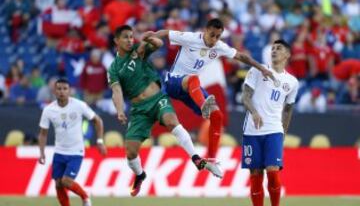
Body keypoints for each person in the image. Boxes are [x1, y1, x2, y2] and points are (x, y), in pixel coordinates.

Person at [108, 25, 222, 197]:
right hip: (139, 110)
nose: (130, 40)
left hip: (157, 99)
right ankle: (140, 175)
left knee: (171, 121)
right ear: (116, 41)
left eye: (131, 36)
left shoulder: (138, 51)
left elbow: (159, 43)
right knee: (131, 153)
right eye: (125, 37)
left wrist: (148, 38)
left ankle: (196, 159)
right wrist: (119, 110)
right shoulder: (114, 69)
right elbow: (116, 91)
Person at [143, 18, 274, 160]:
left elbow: (241, 56)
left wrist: (261, 68)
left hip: (191, 90)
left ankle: (211, 158)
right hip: (174, 82)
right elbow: (167, 32)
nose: (214, 39)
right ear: (205, 30)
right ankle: (203, 105)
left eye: (218, 36)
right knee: (194, 79)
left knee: (217, 116)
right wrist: (155, 34)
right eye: (212, 35)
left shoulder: (219, 46)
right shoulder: (191, 38)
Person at [241, 39, 299, 206]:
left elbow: (288, 110)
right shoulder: (257, 70)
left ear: (287, 55)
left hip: (274, 130)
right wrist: (254, 112)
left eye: (278, 48)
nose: (274, 51)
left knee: (273, 172)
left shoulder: (292, 82)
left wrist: (283, 134)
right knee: (256, 175)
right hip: (252, 130)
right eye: (272, 48)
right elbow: (245, 96)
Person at [38, 78, 107, 206]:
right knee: (58, 184)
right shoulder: (48, 110)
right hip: (59, 151)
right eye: (59, 89)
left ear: (69, 91)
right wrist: (41, 152)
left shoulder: (79, 105)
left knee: (66, 181)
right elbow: (43, 133)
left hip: (76, 152)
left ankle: (85, 197)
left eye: (65, 89)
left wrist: (100, 141)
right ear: (54, 91)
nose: (62, 92)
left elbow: (97, 120)